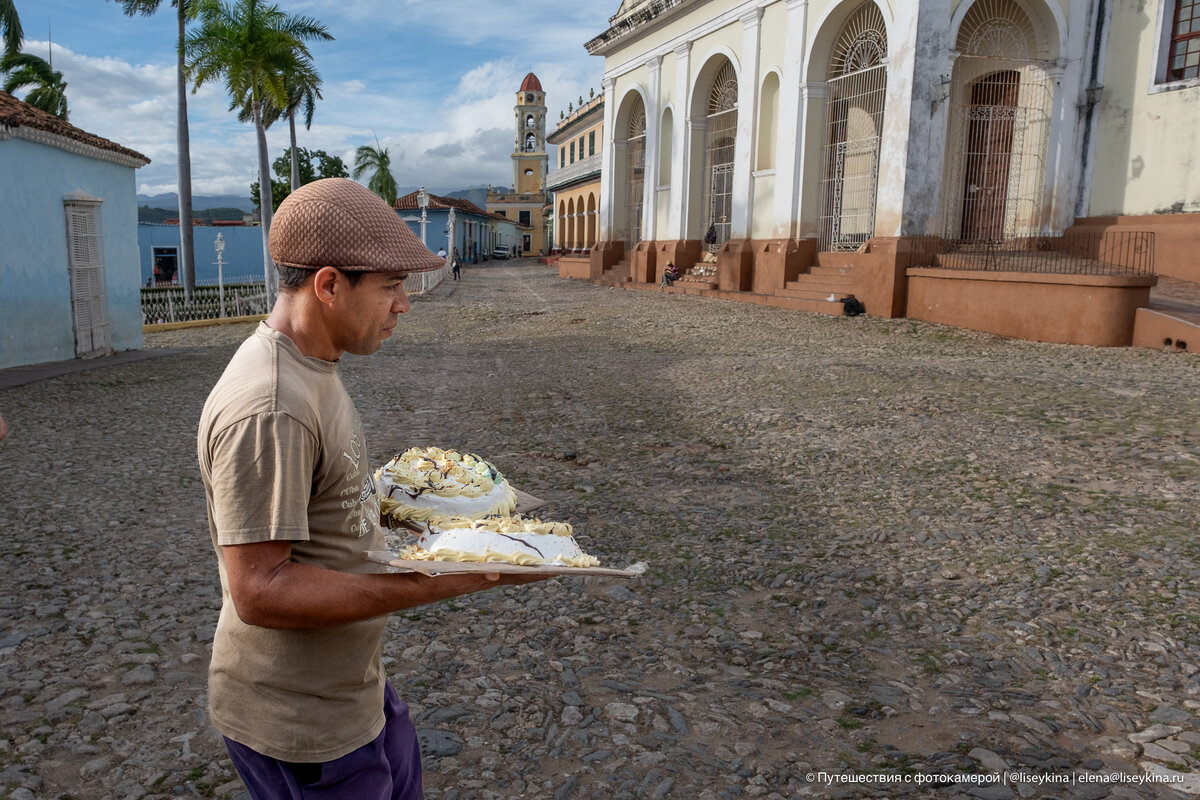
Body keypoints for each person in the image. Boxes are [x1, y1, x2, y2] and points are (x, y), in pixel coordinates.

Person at [197, 178, 543, 800]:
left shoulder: (315, 364)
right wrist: (446, 577)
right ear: (329, 285)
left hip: (352, 687)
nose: (404, 304)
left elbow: (326, 498)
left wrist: (436, 506)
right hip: (301, 722)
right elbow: (259, 590)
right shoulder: (271, 404)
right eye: (390, 286)